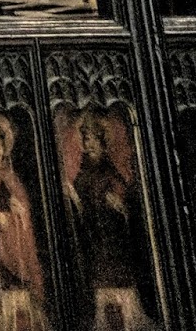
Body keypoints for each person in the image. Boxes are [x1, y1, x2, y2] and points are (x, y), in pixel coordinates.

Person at [64, 111, 157, 331]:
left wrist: (119, 203)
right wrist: (75, 199)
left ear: (103, 141)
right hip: (96, 241)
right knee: (101, 285)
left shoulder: (110, 170)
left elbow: (125, 201)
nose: (89, 145)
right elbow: (82, 206)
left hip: (116, 241)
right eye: (86, 139)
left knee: (121, 285)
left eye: (93, 139)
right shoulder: (83, 174)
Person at [0, 112, 47, 331]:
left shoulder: (11, 177)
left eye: (0, 144)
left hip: (18, 249)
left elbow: (25, 212)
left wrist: (19, 213)